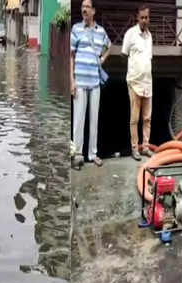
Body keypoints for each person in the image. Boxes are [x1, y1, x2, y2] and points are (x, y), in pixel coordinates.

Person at [70, 0, 111, 167]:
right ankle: (77, 154)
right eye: (82, 7)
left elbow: (109, 46)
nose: (84, 9)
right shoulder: (76, 29)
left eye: (87, 7)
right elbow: (71, 56)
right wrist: (71, 81)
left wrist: (101, 59)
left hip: (95, 83)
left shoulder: (101, 32)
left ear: (93, 11)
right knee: (78, 120)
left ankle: (92, 154)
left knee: (94, 120)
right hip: (79, 81)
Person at [122, 4, 154, 161]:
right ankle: (134, 148)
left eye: (146, 17)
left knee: (147, 118)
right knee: (134, 119)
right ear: (137, 18)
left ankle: (145, 147)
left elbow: (149, 59)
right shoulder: (130, 34)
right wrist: (133, 72)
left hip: (148, 83)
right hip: (134, 82)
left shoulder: (150, 37)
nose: (144, 20)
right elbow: (124, 54)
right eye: (142, 17)